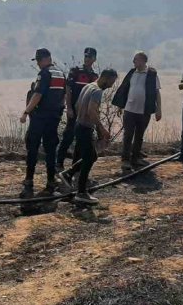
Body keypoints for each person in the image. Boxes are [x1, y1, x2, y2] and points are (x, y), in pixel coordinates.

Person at [20, 48, 66, 197]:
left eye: (38, 61)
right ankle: (51, 180)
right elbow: (64, 96)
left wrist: (26, 112)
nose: (38, 64)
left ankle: (29, 180)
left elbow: (38, 94)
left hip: (40, 117)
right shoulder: (60, 73)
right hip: (54, 117)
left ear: (43, 59)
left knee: (32, 146)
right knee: (51, 148)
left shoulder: (44, 74)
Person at [71, 68, 118, 205]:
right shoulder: (97, 91)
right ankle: (81, 192)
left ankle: (68, 174)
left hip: (79, 125)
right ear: (106, 78)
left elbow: (77, 105)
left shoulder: (88, 86)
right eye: (111, 82)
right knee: (90, 157)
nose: (111, 85)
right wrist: (101, 129)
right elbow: (92, 111)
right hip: (85, 128)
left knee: (85, 156)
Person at [111, 51, 162, 171]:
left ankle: (135, 158)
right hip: (129, 110)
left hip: (144, 111)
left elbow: (157, 93)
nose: (134, 62)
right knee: (128, 135)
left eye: (136, 59)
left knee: (139, 135)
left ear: (143, 61)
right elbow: (124, 89)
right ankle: (125, 159)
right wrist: (120, 106)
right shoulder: (131, 73)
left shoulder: (152, 74)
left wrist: (159, 110)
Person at [57, 47, 99, 171]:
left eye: (90, 57)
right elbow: (68, 90)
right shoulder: (75, 71)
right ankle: (58, 163)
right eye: (86, 56)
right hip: (74, 110)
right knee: (68, 137)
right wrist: (69, 107)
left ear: (94, 59)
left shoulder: (94, 76)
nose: (87, 59)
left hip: (86, 113)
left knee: (81, 140)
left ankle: (75, 166)